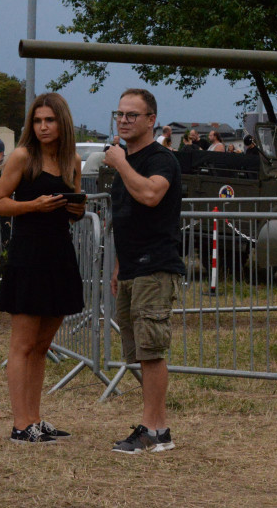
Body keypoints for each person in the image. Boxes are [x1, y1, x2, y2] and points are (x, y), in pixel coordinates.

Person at [0, 92, 86, 444]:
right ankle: (20, 424)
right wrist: (34, 205)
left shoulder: (73, 160)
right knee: (23, 344)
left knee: (43, 345)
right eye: (37, 120)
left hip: (59, 256)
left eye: (50, 120)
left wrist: (75, 210)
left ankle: (35, 418)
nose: (43, 127)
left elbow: (72, 212)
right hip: (28, 257)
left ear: (63, 123)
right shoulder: (22, 157)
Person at [104, 88, 185, 454]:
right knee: (139, 352)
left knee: (152, 352)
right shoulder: (127, 160)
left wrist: (120, 163)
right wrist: (120, 266)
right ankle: (158, 427)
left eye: (132, 115)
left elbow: (151, 195)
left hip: (157, 266)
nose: (123, 120)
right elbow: (127, 219)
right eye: (119, 114)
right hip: (133, 267)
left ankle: (153, 430)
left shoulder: (161, 158)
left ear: (151, 120)